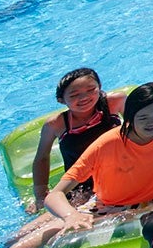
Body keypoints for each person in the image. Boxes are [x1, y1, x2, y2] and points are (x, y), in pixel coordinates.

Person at [36, 83, 153, 248]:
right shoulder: (107, 144)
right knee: (23, 246)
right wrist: (71, 215)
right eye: (143, 117)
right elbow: (54, 195)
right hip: (112, 205)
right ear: (130, 116)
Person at [27, 68, 128, 213]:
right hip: (81, 186)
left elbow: (138, 130)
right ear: (61, 100)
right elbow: (42, 158)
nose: (84, 98)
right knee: (50, 223)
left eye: (91, 89)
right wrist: (40, 197)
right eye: (74, 95)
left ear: (99, 88)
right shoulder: (55, 124)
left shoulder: (115, 102)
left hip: (120, 174)